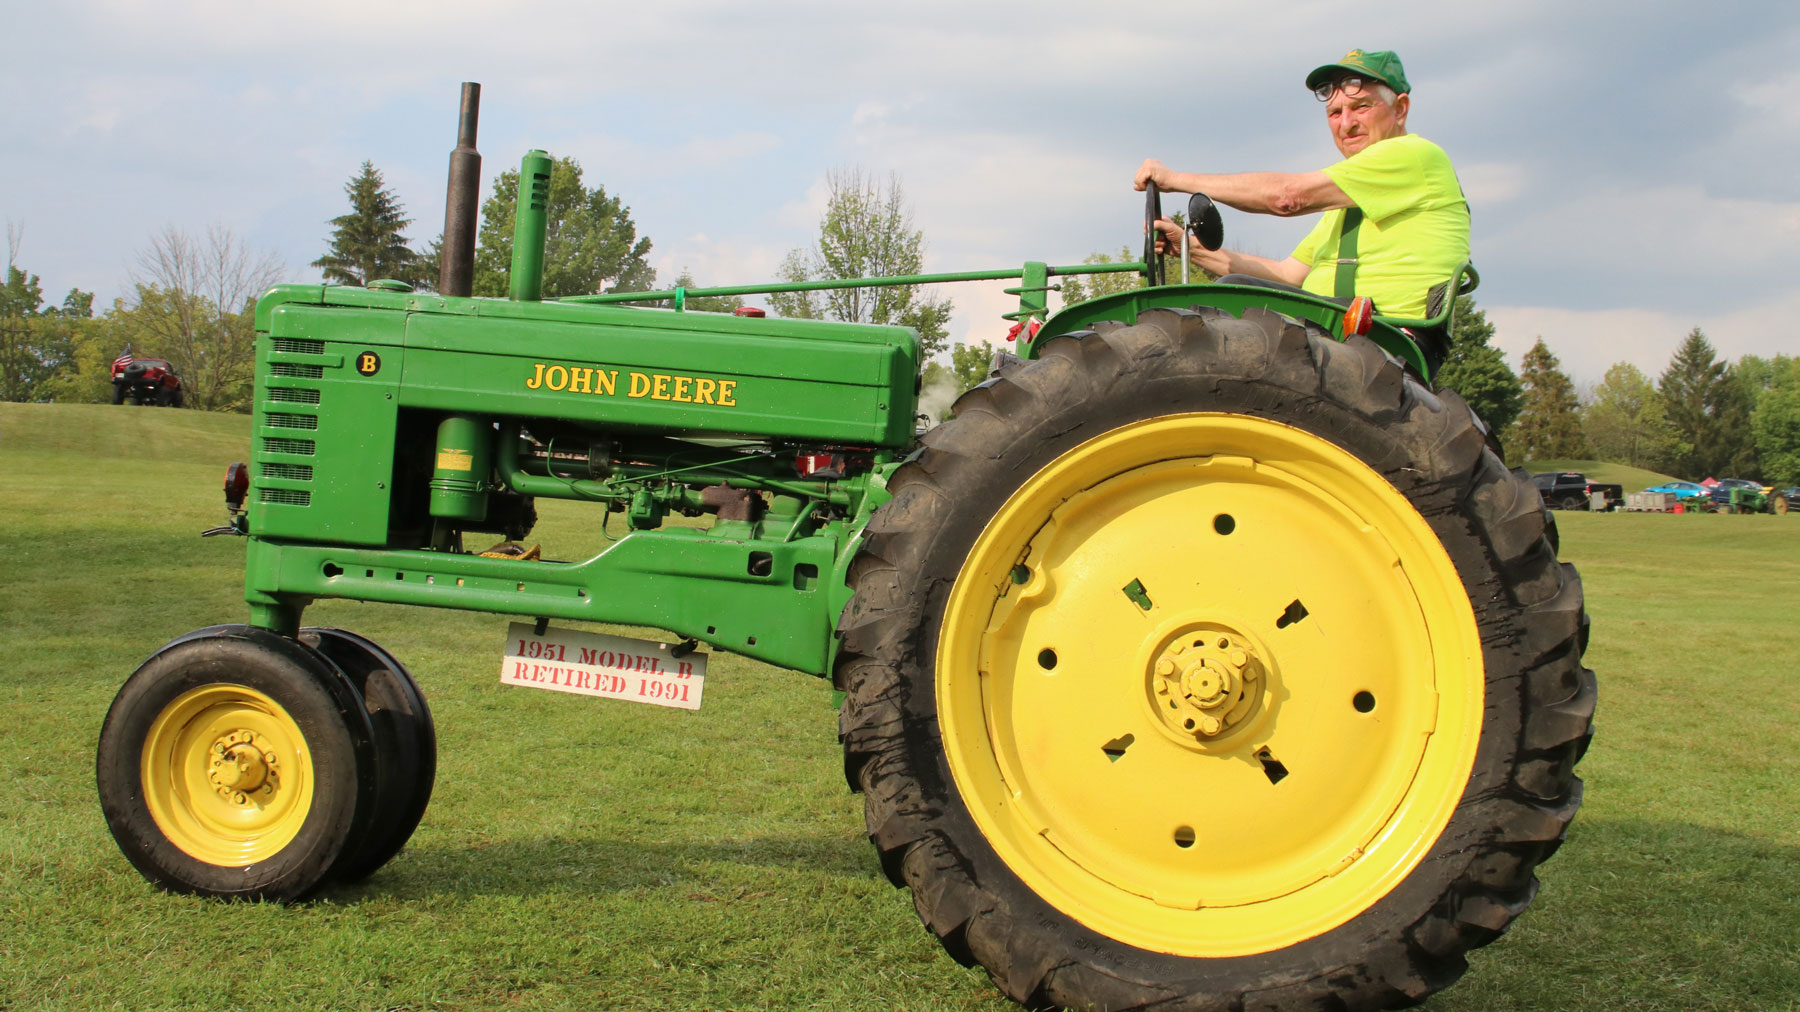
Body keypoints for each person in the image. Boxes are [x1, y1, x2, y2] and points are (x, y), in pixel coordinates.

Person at [1134, 49, 1468, 320]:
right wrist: (1189, 248)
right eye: (1335, 113)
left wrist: (1175, 179)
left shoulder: (1413, 156)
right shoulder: (1352, 199)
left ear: (1400, 109)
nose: (1347, 124)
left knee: (1231, 295)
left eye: (1361, 107)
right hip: (1345, 327)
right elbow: (1286, 275)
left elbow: (1287, 198)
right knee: (1235, 290)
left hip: (1381, 331)